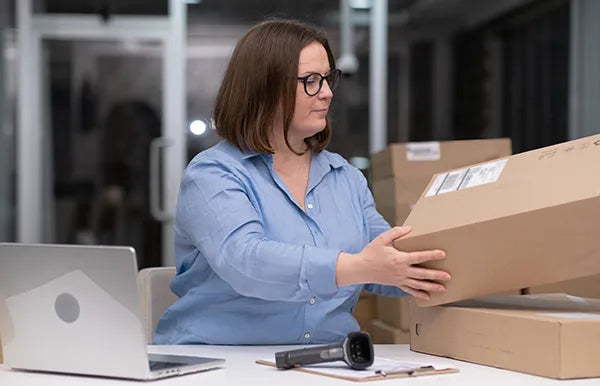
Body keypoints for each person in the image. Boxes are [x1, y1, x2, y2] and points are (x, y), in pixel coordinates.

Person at [154, 19, 450, 345]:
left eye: (328, 79)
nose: (327, 93)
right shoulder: (212, 174)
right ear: (265, 88)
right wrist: (354, 267)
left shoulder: (345, 178)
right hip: (222, 362)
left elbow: (382, 261)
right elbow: (246, 260)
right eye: (311, 81)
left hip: (327, 361)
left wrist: (446, 263)